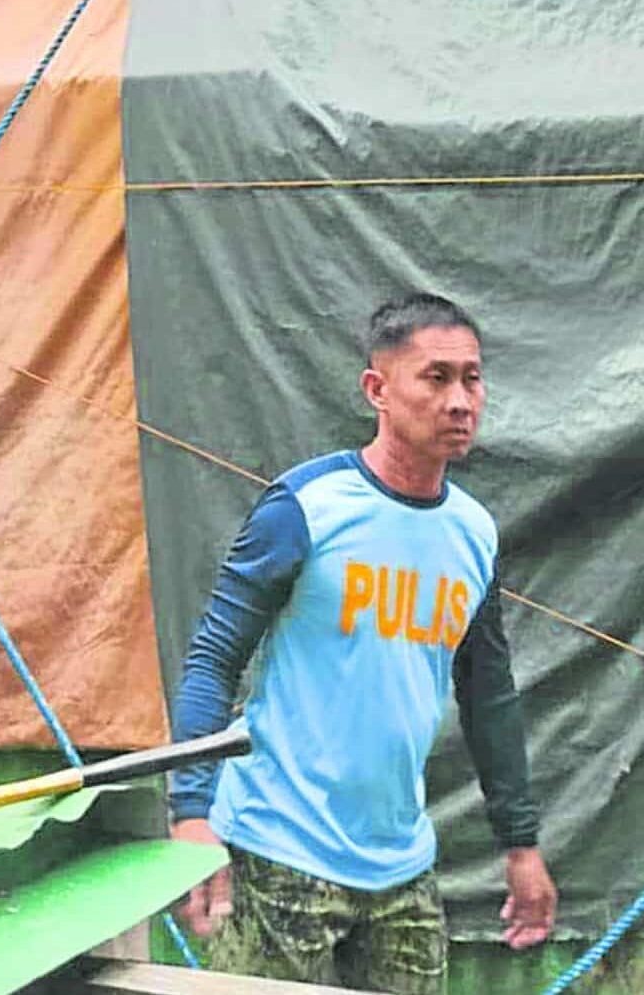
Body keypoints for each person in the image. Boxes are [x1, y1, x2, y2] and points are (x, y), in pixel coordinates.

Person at [167, 293, 556, 994]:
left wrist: (520, 845)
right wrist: (191, 814)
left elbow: (488, 696)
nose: (460, 400)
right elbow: (213, 657)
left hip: (400, 865)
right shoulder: (306, 507)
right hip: (274, 850)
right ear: (377, 389)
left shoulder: (473, 534)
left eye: (472, 378)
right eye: (435, 378)